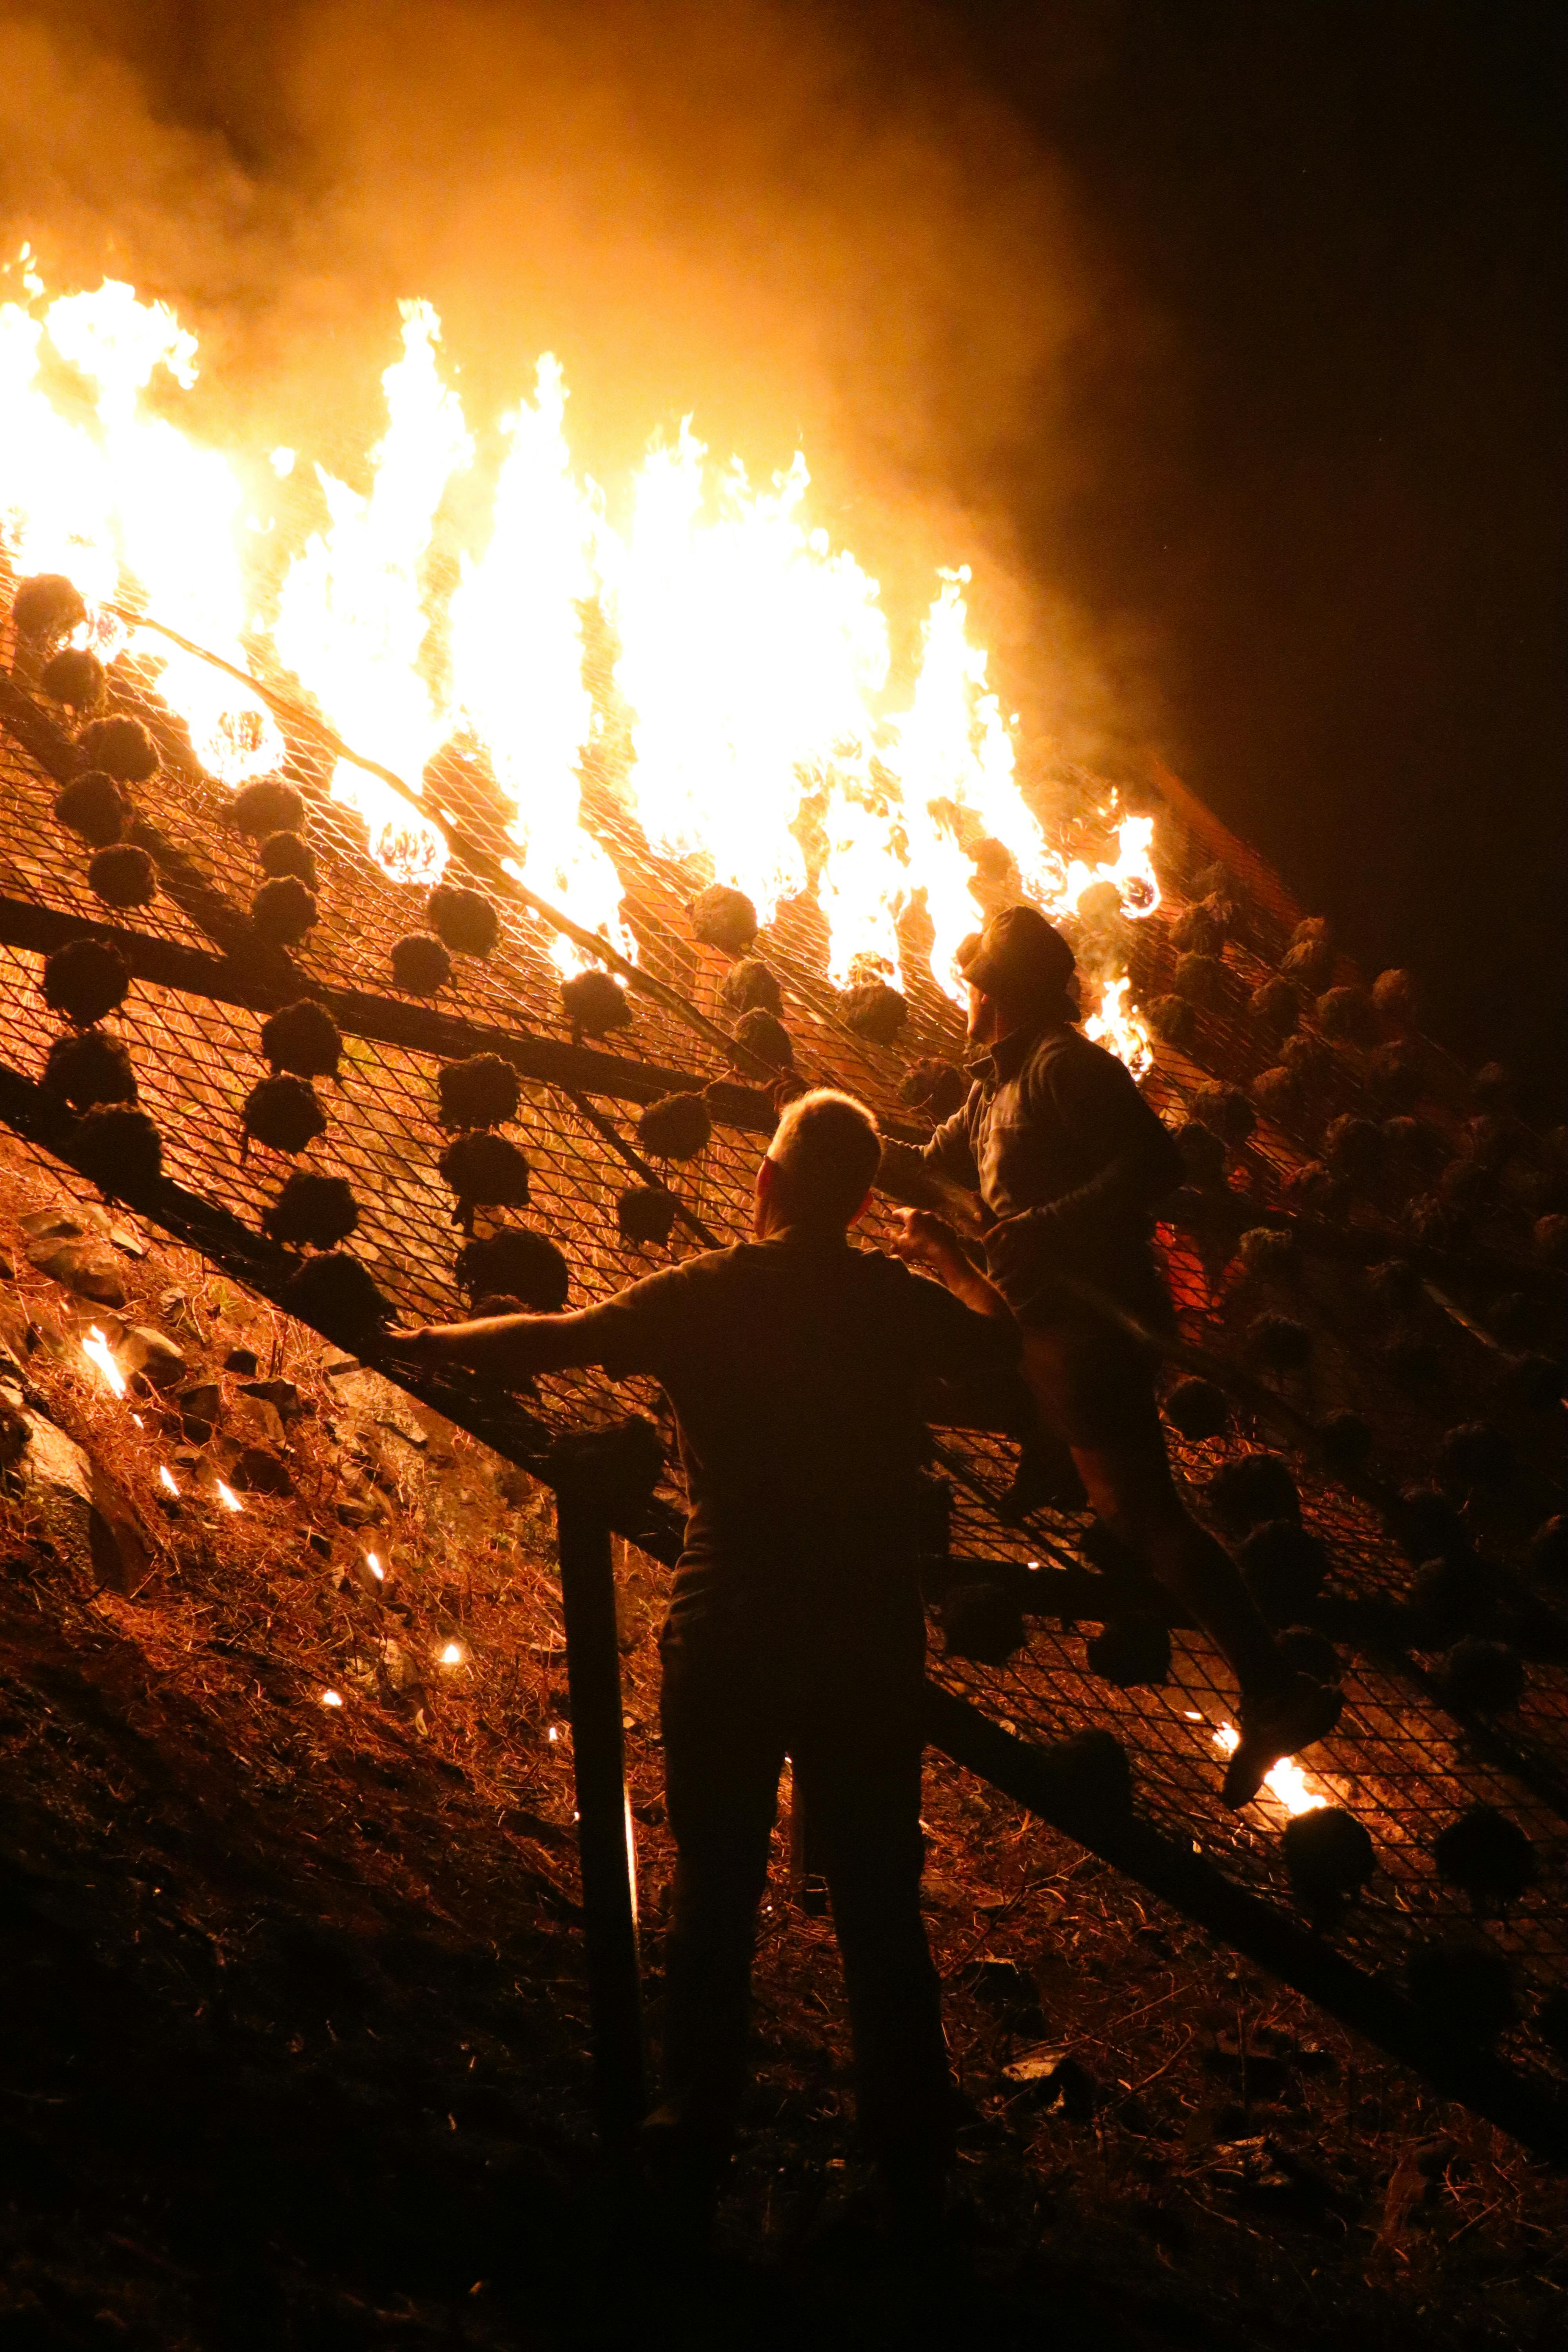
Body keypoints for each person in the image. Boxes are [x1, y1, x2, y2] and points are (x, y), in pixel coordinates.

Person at [389, 1088, 1020, 2236]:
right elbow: (1013, 1357)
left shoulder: (710, 1295)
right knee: (880, 1891)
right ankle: (914, 2153)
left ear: (767, 1182)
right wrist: (962, 1263)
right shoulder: (892, 1302)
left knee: (716, 1881)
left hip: (730, 1612)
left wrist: (425, 1339)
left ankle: (693, 2126)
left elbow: (557, 1341)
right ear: (865, 1200)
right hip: (868, 1627)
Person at [888, 902, 1341, 1808]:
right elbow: (919, 1163)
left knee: (1137, 1510)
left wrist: (1044, 1230)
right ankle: (1043, 1468)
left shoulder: (1064, 1066)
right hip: (1029, 1326)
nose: (963, 991)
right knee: (924, 1384)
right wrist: (818, 1131)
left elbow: (1150, 1164)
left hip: (1087, 1331)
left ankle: (1271, 1686)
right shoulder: (990, 1090)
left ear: (1000, 992)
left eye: (975, 979)